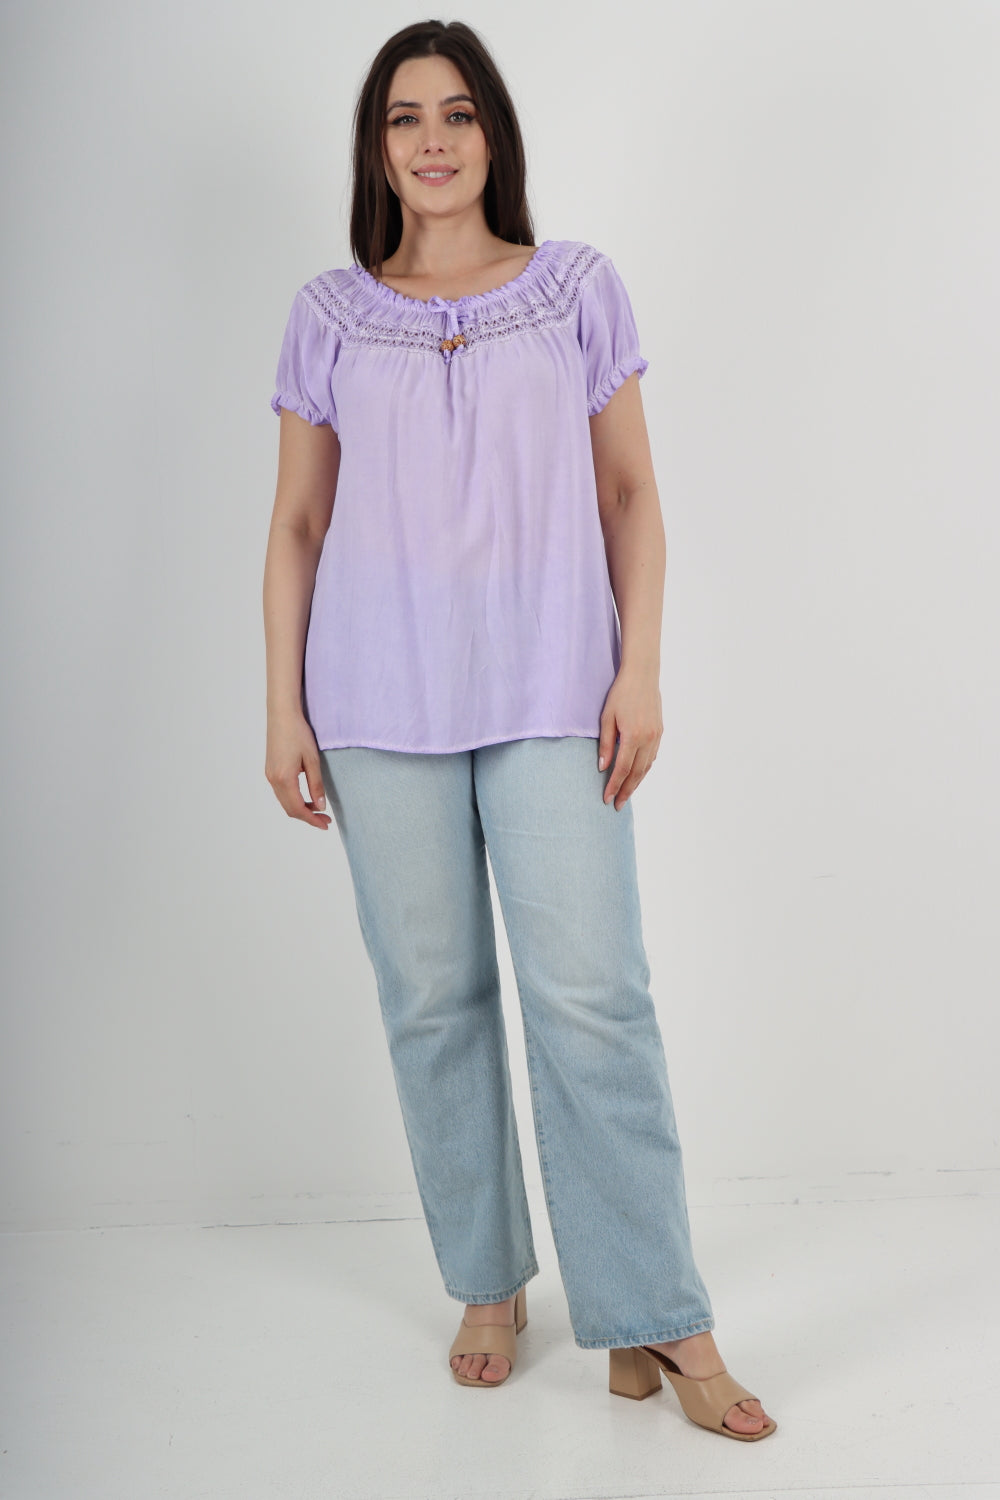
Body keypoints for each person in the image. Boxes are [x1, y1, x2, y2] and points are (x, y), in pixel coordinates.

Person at [262, 19, 775, 1443]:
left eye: (458, 113)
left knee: (594, 997)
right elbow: (298, 523)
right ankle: (487, 1282)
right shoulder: (330, 313)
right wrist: (281, 702)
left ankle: (657, 1308)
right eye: (404, 117)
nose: (433, 139)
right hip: (376, 701)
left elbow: (631, 495)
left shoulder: (574, 291)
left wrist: (640, 669)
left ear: (494, 134)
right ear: (376, 148)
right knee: (433, 1000)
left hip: (555, 685)